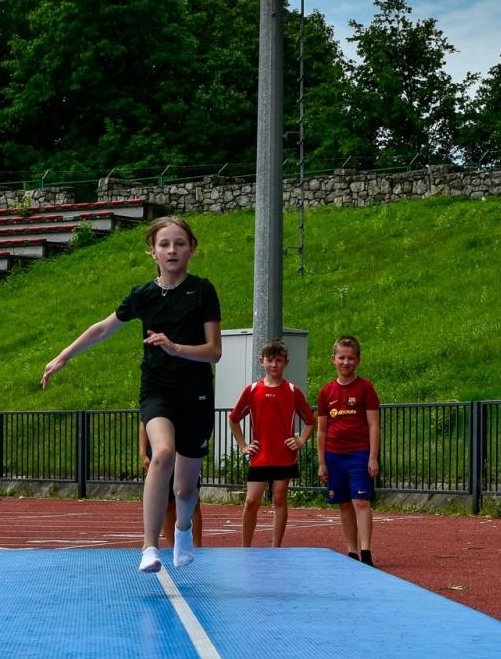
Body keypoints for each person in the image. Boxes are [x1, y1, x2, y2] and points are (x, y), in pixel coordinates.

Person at [42, 215, 221, 573]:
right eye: (164, 244)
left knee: (186, 491)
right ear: (152, 251)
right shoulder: (143, 295)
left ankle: (182, 529)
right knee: (162, 453)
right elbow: (103, 328)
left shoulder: (202, 290)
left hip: (195, 394)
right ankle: (149, 547)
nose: (172, 250)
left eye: (180, 244)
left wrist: (175, 348)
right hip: (157, 389)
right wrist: (63, 356)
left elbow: (214, 351)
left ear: (192, 249)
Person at [229, 339, 314, 547]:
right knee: (251, 502)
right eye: (270, 360)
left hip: (284, 456)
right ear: (262, 362)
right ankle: (245, 547)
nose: (274, 365)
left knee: (279, 499)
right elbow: (233, 418)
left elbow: (311, 421)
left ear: (286, 362)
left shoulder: (293, 391)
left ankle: (276, 547)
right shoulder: (252, 390)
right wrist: (243, 445)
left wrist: (300, 440)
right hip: (260, 456)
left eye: (278, 360)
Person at [316, 334, 380, 566]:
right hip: (334, 455)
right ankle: (351, 550)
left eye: (351, 358)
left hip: (359, 453)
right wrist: (322, 461)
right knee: (343, 503)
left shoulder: (365, 388)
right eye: (341, 358)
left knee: (361, 502)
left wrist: (372, 457)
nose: (346, 363)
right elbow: (321, 430)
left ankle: (366, 551)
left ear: (358, 361)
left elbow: (374, 425)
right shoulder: (326, 392)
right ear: (333, 359)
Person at [140, 422, 202, 547]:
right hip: (161, 449)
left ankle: (196, 545)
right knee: (167, 503)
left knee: (190, 499)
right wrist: (142, 452)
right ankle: (172, 546)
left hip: (185, 446)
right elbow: (144, 422)